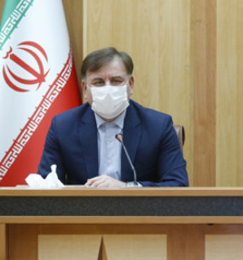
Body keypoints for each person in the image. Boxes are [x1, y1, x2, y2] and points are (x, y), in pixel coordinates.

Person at [37, 47, 189, 188]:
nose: (108, 89)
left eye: (116, 81)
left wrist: (126, 188)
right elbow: (45, 185)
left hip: (137, 208)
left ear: (130, 84)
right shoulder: (63, 126)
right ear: (85, 89)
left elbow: (178, 184)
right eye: (99, 82)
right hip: (82, 208)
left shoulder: (158, 125)